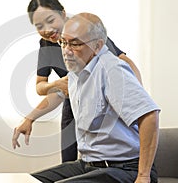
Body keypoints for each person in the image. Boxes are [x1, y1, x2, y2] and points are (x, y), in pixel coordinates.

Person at [13, 12, 160, 183]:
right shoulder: (78, 70)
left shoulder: (112, 70)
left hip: (125, 169)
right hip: (88, 164)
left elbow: (150, 115)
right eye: (63, 42)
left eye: (75, 44)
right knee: (28, 181)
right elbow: (59, 94)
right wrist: (29, 119)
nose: (66, 51)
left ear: (98, 46)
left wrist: (143, 176)